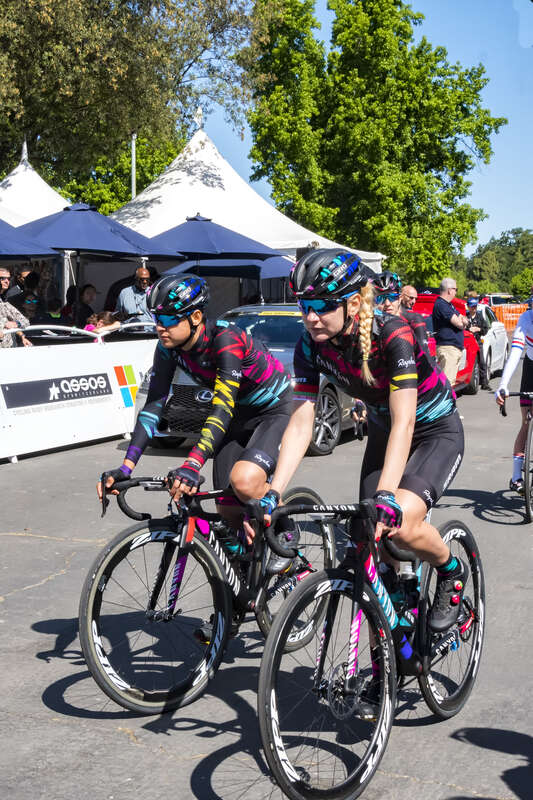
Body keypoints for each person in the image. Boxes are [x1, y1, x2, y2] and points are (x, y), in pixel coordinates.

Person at [249, 249, 467, 640]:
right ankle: (390, 651)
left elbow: (406, 420)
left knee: (398, 523)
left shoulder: (392, 334)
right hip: (385, 434)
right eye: (304, 306)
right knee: (369, 547)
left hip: (433, 432)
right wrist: (273, 492)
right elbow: (301, 425)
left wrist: (386, 494)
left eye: (321, 305)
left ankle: (451, 570)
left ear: (352, 304)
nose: (310, 316)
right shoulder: (309, 345)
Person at [98, 274, 295, 580]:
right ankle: (239, 595)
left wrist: (192, 462)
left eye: (167, 318)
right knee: (227, 510)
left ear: (196, 317)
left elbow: (222, 407)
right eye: (156, 318)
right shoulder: (167, 347)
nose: (159, 326)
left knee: (244, 482)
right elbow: (154, 407)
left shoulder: (226, 340)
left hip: (273, 409)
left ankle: (286, 530)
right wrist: (126, 466)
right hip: (237, 415)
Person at [495, 302, 533, 492]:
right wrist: (503, 385)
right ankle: (517, 476)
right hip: (531, 369)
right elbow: (516, 352)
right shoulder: (526, 319)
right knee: (527, 422)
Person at [432, 277, 468, 385]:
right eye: (455, 289)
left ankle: (449, 401)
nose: (456, 292)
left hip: (453, 349)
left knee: (450, 382)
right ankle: (446, 402)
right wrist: (463, 323)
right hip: (448, 349)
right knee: (447, 385)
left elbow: (463, 319)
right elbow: (460, 323)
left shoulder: (449, 305)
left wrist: (463, 321)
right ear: (449, 290)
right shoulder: (441, 305)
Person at [0, 266, 32, 348]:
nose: (7, 281)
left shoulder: (4, 302)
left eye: (8, 279)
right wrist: (4, 324)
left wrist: (21, 335)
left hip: (8, 349)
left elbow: (25, 321)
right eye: (2, 278)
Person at [465, 296, 491, 390]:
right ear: (468, 307)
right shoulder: (465, 316)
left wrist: (478, 329)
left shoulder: (480, 316)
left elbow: (485, 329)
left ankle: (484, 383)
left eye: (475, 306)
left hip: (477, 341)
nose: (474, 308)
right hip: (467, 343)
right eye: (472, 306)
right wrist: (468, 329)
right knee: (468, 362)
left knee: (482, 362)